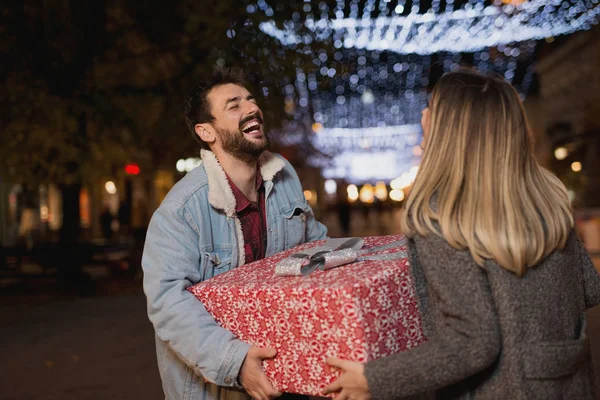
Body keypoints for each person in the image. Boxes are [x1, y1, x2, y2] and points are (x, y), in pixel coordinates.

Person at [323, 69, 600, 399]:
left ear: (451, 130)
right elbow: (590, 288)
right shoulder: (547, 196)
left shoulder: (441, 215)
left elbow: (474, 341)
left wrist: (375, 378)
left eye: (432, 107)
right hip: (568, 380)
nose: (423, 114)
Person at [142, 67, 327, 400]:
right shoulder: (181, 210)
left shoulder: (285, 176)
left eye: (250, 100)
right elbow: (167, 303)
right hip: (218, 384)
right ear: (206, 132)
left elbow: (315, 248)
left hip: (289, 370)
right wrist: (236, 362)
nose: (251, 108)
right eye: (234, 105)